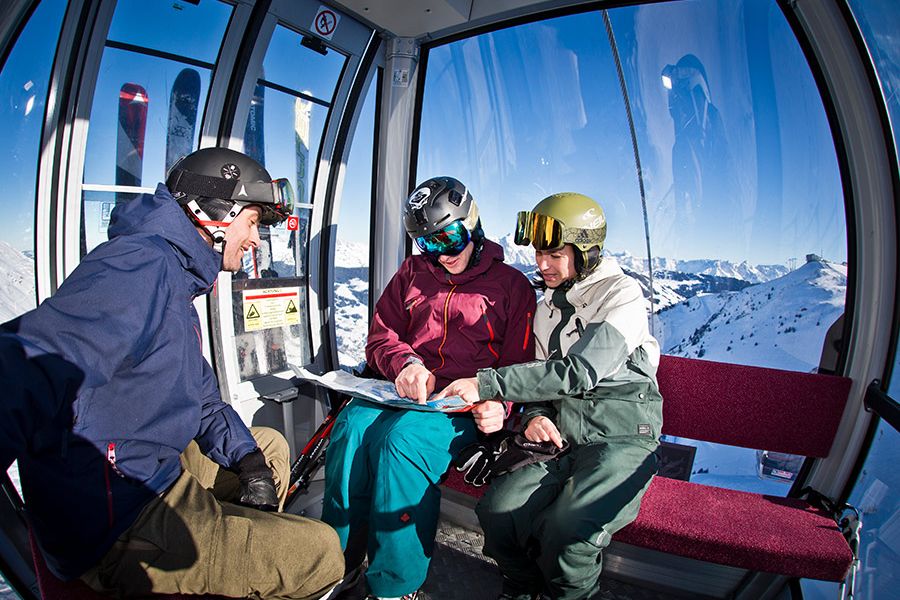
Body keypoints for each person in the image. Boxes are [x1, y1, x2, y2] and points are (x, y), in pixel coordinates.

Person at [0, 147, 343, 599]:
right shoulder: (142, 265)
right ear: (215, 213)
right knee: (321, 551)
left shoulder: (176, 280)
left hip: (146, 467)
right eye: (254, 222)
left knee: (270, 449)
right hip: (120, 514)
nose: (256, 240)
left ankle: (231, 555)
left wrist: (248, 462)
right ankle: (226, 557)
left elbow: (202, 401)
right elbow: (31, 361)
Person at [436, 193, 662, 600]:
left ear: (586, 251)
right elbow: (542, 381)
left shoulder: (622, 296)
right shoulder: (548, 307)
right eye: (540, 253)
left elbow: (578, 372)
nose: (542, 264)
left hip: (622, 437)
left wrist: (486, 384)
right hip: (561, 435)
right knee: (497, 512)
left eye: (555, 254)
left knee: (570, 534)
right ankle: (522, 588)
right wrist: (535, 416)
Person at [321, 176, 536, 600]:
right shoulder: (412, 274)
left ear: (471, 222)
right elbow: (381, 335)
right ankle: (333, 565)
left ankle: (395, 586)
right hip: (403, 391)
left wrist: (501, 404)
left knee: (401, 443)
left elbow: (520, 366)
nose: (444, 253)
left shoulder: (511, 287)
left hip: (459, 406)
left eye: (451, 236)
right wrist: (404, 363)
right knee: (349, 430)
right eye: (428, 243)